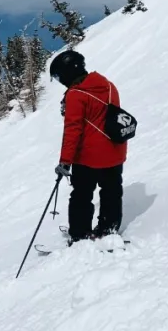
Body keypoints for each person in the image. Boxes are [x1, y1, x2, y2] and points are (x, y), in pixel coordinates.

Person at [49, 50, 127, 245]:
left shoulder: (76, 95)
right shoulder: (109, 86)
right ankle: (108, 229)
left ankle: (80, 235)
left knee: (81, 195)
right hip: (116, 150)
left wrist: (65, 162)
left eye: (59, 76)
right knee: (111, 191)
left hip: (89, 156)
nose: (61, 81)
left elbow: (72, 130)